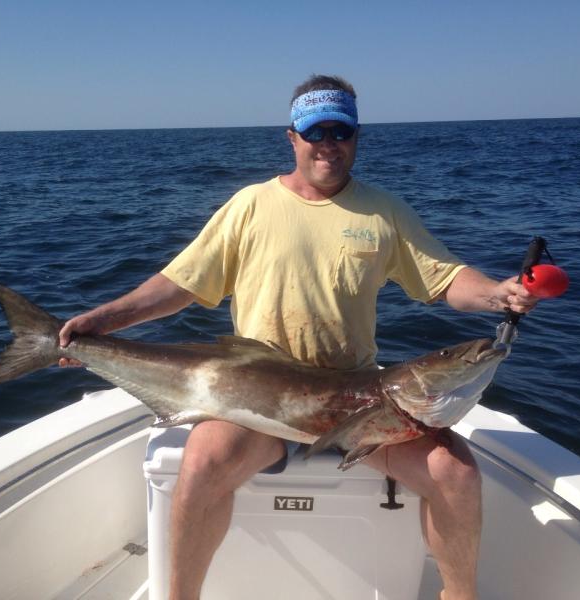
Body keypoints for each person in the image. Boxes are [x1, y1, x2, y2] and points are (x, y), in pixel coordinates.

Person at [59, 74, 539, 600]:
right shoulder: (249, 206)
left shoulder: (384, 212)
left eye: (340, 132)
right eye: (316, 133)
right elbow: (180, 284)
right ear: (292, 137)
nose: (328, 145)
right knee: (201, 463)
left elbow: (445, 277)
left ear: (357, 137)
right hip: (259, 395)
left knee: (456, 471)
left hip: (360, 401)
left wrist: (497, 293)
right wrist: (103, 321)